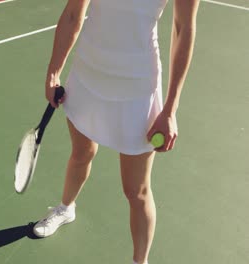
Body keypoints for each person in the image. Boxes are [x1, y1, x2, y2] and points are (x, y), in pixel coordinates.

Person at [33, 0, 200, 263]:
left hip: (138, 86)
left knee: (136, 190)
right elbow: (73, 14)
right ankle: (66, 209)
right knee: (80, 154)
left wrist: (169, 110)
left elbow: (183, 29)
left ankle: (139, 261)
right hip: (88, 75)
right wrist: (53, 73)